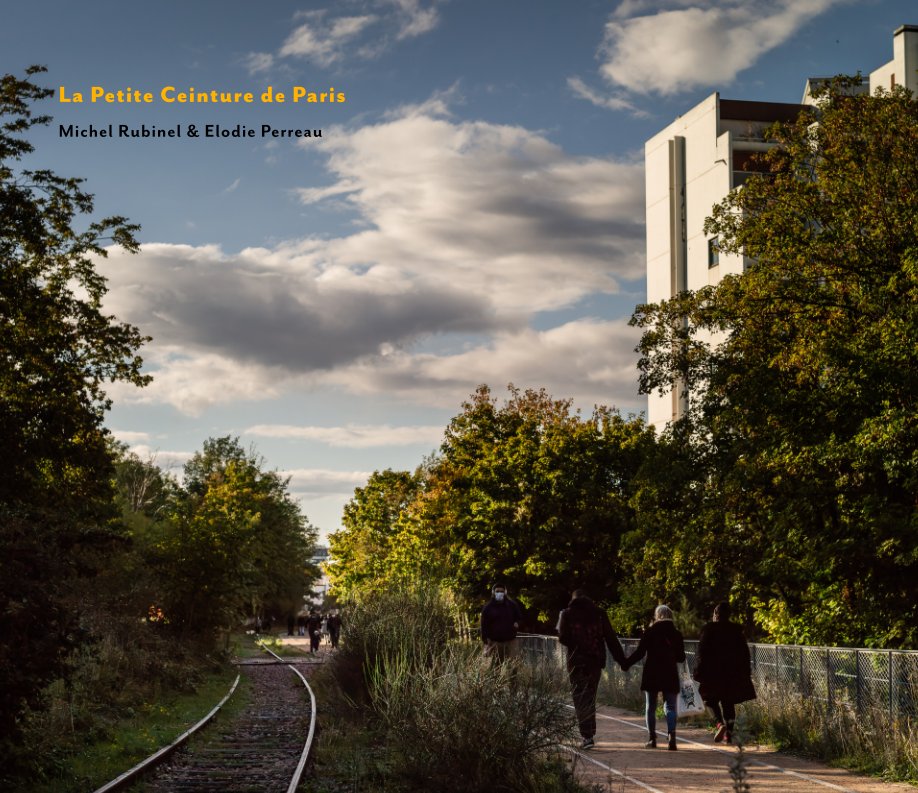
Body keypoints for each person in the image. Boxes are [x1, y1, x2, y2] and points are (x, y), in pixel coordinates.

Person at [558, 588, 626, 750]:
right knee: (590, 696)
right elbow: (610, 638)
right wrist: (622, 661)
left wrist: (575, 644)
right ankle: (590, 732)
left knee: (579, 698)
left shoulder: (567, 614)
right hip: (595, 661)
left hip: (575, 662)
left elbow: (562, 637)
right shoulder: (599, 614)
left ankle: (587, 735)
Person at [623, 604, 686, 750]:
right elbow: (681, 658)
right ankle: (672, 737)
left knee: (650, 706)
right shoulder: (676, 634)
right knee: (670, 706)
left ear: (657, 616)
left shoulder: (650, 632)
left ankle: (652, 739)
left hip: (652, 672)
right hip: (670, 672)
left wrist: (626, 663)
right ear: (671, 616)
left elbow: (639, 653)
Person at [693, 601, 756, 743]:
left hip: (712, 673)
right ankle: (729, 735)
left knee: (710, 700)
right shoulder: (736, 631)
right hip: (732, 673)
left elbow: (701, 652)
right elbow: (745, 654)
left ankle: (719, 724)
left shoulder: (708, 630)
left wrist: (698, 671)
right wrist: (746, 672)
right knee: (728, 702)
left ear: (716, 614)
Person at [480, 584, 522, 661]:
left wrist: (517, 623)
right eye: (497, 591)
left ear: (505, 592)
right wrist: (485, 640)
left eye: (502, 591)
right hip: (495, 641)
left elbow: (519, 617)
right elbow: (484, 624)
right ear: (493, 592)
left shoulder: (512, 605)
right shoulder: (488, 607)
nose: (500, 593)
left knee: (512, 664)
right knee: (496, 665)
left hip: (511, 640)